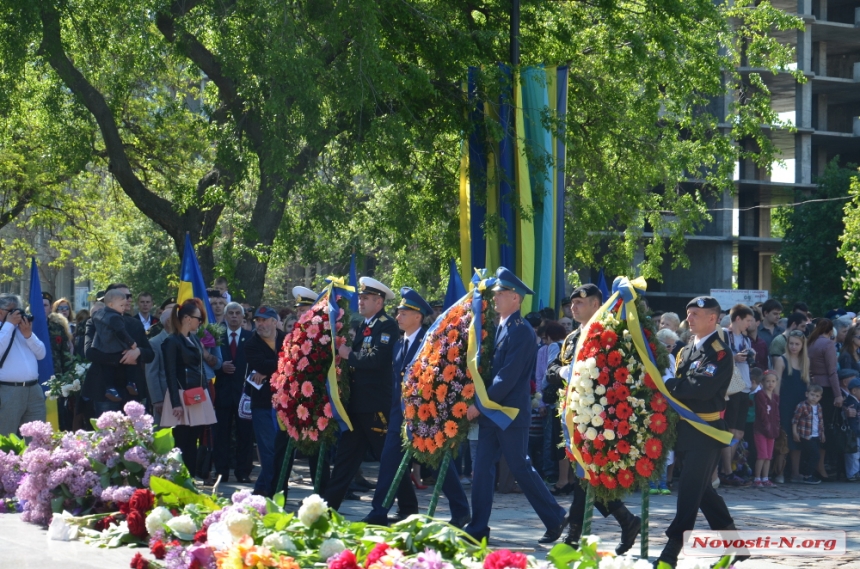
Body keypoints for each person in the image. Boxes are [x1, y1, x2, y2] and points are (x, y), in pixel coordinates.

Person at [463, 267, 567, 545]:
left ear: (516, 299)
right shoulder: (500, 327)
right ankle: (478, 526)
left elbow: (507, 376)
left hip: (508, 412)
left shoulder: (521, 332)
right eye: (496, 293)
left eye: (502, 294)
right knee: (482, 467)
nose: (495, 298)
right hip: (493, 410)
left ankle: (556, 516)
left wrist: (479, 405)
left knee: (520, 467)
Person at [363, 287, 471, 527]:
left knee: (437, 462)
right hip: (400, 413)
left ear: (418, 317)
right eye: (398, 312)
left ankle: (461, 510)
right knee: (389, 461)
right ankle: (378, 511)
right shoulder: (398, 343)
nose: (398, 316)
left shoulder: (429, 342)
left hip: (425, 415)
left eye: (404, 313)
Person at [545, 284, 641, 552]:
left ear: (597, 303)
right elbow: (551, 369)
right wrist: (562, 371)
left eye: (580, 303)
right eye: (571, 303)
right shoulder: (572, 337)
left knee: (588, 474)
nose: (573, 307)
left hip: (601, 415)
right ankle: (626, 520)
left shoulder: (608, 334)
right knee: (586, 475)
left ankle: (575, 534)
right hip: (573, 413)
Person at [656, 296, 739, 569]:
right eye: (688, 313)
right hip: (685, 431)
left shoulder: (720, 352)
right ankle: (736, 546)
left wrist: (669, 383)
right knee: (703, 493)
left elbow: (701, 389)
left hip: (706, 432)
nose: (688, 318)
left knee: (690, 492)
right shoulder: (686, 350)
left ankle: (671, 551)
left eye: (695, 314)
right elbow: (686, 385)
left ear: (712, 318)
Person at [324, 277, 399, 510]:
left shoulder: (386, 325)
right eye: (360, 297)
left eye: (366, 298)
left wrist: (349, 355)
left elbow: (377, 360)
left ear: (379, 301)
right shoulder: (366, 325)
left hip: (375, 404)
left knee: (389, 459)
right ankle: (328, 508)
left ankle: (407, 506)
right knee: (345, 459)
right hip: (358, 405)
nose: (361, 301)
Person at [160, 299, 217, 471]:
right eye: (198, 318)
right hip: (181, 395)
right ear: (186, 318)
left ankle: (191, 478)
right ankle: (180, 478)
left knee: (194, 438)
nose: (200, 322)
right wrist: (176, 403)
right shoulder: (172, 341)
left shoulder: (193, 339)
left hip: (198, 393)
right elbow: (170, 372)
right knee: (182, 440)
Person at [83, 284, 154, 416]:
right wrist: (123, 358)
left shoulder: (135, 323)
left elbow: (150, 354)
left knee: (136, 434)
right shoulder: (95, 321)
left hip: (133, 389)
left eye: (129, 296)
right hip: (105, 388)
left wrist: (137, 352)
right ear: (110, 302)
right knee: (108, 433)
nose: (129, 300)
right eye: (124, 296)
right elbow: (90, 352)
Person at [244, 305, 287, 496]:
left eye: (263, 320)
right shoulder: (251, 343)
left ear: (274, 322)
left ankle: (261, 487)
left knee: (280, 448)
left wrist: (269, 370)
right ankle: (274, 491)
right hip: (262, 403)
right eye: (257, 321)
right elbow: (259, 364)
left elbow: (294, 361)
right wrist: (283, 363)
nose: (260, 324)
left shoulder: (286, 339)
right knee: (268, 449)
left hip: (285, 402)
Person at [213, 302, 254, 484]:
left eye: (238, 313)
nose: (234, 316)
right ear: (226, 315)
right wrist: (220, 367)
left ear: (243, 317)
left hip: (244, 395)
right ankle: (221, 471)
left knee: (245, 435)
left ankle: (243, 471)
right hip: (222, 394)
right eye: (231, 313)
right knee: (221, 434)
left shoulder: (250, 337)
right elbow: (207, 362)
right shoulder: (216, 336)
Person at [0, 294, 47, 436]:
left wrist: (28, 335)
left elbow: (41, 354)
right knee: (5, 436)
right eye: (11, 311)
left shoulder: (23, 329)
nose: (16, 315)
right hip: (8, 390)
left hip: (34, 389)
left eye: (18, 310)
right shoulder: (6, 329)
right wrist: (8, 325)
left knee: (36, 436)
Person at [718, 304, 754, 487]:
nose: (750, 324)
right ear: (738, 318)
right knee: (729, 430)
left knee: (739, 431)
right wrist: (733, 357)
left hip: (744, 387)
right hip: (731, 388)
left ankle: (727, 470)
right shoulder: (724, 334)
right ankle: (726, 471)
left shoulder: (747, 340)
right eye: (748, 320)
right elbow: (716, 355)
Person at [772, 330, 809, 483]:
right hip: (785, 403)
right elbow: (777, 384)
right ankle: (779, 472)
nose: (794, 347)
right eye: (791, 343)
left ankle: (795, 473)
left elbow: (807, 385)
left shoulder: (805, 361)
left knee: (798, 438)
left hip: (800, 404)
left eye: (797, 344)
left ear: (802, 345)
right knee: (784, 438)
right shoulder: (781, 360)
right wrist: (775, 403)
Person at [807, 318, 840, 481]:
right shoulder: (827, 344)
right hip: (826, 389)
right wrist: (838, 394)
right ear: (830, 331)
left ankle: (815, 466)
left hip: (813, 385)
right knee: (824, 427)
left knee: (814, 426)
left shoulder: (811, 342)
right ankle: (820, 467)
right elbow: (832, 371)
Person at [145, 307, 174, 425]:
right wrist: (157, 400)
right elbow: (151, 373)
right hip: (164, 396)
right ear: (169, 321)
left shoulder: (184, 339)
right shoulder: (155, 342)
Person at [792, 384, 825, 485]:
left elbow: (820, 421)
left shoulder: (819, 406)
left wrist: (822, 433)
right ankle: (807, 475)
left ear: (820, 397)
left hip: (816, 435)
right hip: (806, 435)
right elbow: (795, 420)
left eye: (817, 396)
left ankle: (805, 473)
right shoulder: (802, 406)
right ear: (807, 394)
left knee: (810, 455)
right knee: (815, 455)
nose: (814, 397)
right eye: (812, 394)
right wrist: (794, 432)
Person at [753, 370, 780, 487]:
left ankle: (765, 478)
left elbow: (777, 413)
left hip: (772, 430)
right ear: (762, 382)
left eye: (773, 381)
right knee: (762, 455)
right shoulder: (760, 395)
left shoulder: (775, 397)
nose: (770, 384)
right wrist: (767, 426)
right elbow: (762, 412)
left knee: (769, 456)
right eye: (768, 381)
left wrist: (776, 426)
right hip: (761, 429)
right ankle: (757, 478)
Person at [842, 377, 860, 481]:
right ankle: (852, 473)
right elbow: (854, 420)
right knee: (853, 454)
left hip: (856, 432)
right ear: (854, 390)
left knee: (856, 453)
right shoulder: (852, 402)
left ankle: (855, 471)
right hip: (853, 433)